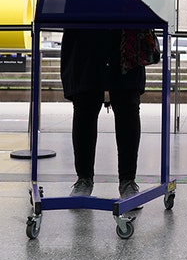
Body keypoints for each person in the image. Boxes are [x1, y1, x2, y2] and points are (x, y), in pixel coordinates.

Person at [59, 28, 146, 201]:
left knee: (127, 107)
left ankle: (128, 181)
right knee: (84, 106)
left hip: (124, 37)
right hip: (85, 36)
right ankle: (84, 179)